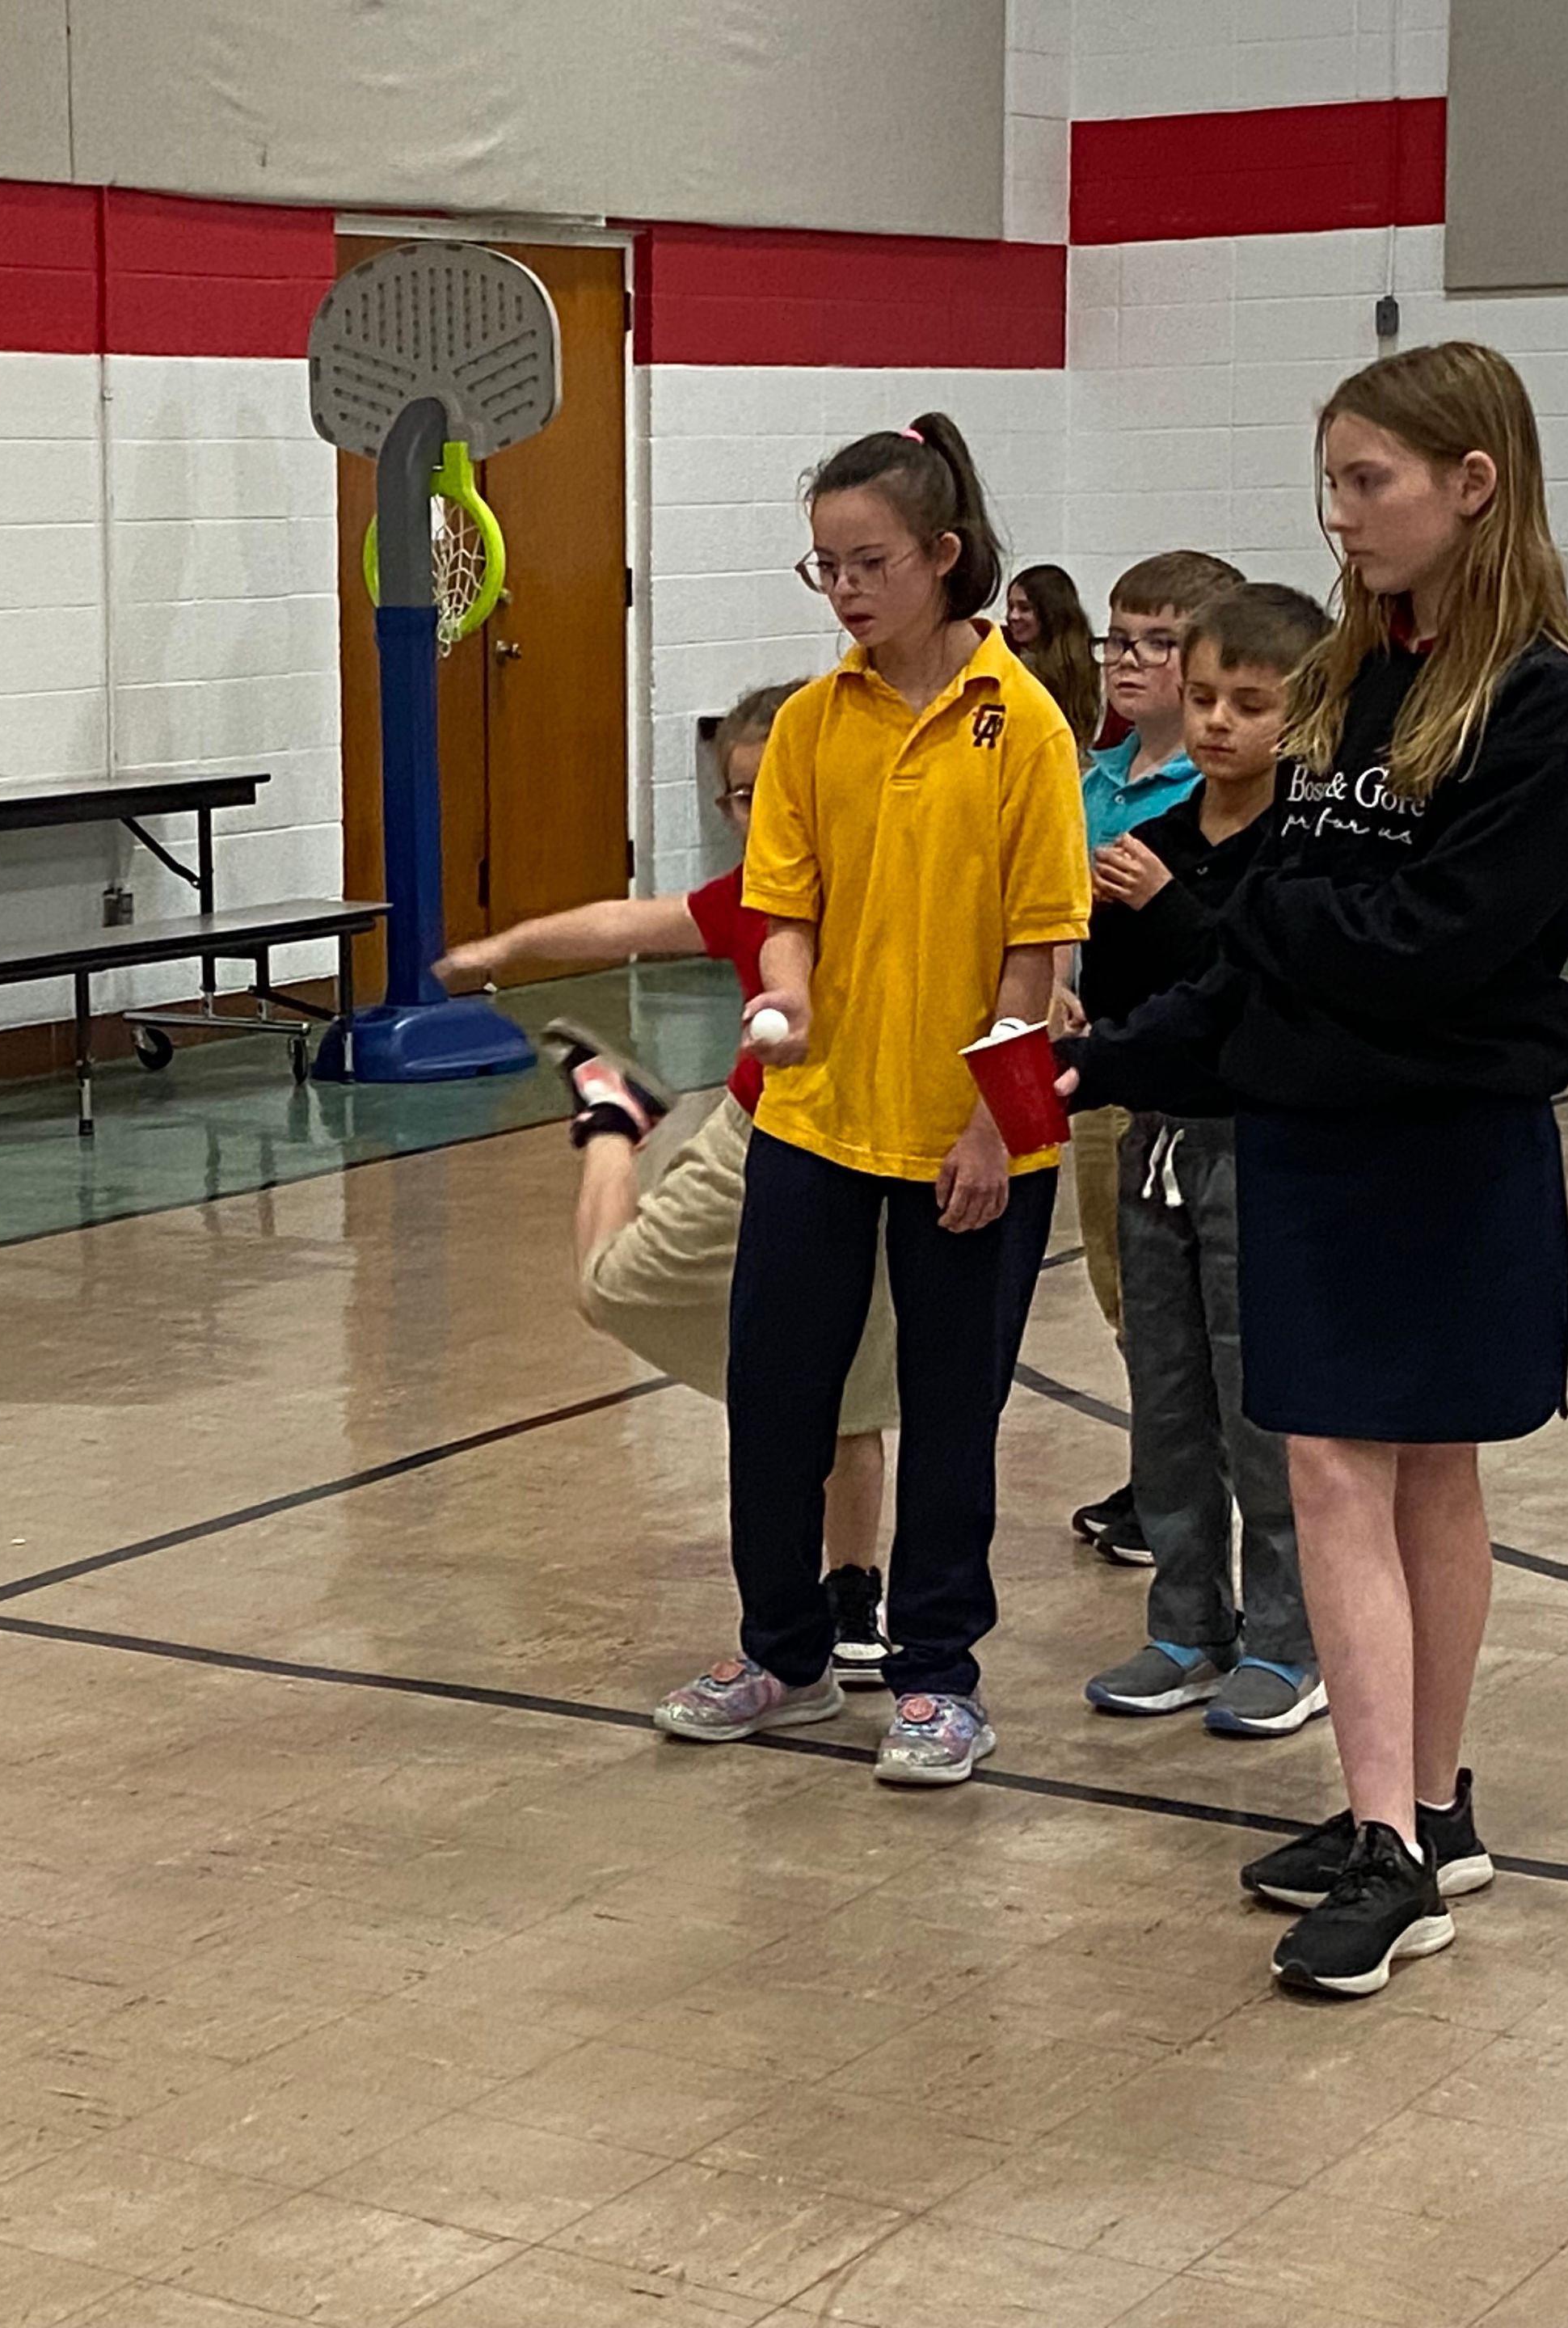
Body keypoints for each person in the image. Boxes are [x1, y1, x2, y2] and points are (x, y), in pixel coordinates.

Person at [1060, 342, 1568, 1997]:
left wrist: (1236, 915)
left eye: (1367, 480)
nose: (1340, 514)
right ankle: (1421, 1814)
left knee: (1376, 1476)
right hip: (1314, 1133)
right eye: (1331, 480)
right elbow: (1275, 961)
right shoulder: (1351, 687)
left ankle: (1396, 1845)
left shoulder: (1547, 718)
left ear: (1474, 483)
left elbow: (1423, 950)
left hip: (1440, 1153)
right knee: (1380, 1476)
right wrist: (1109, 1056)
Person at [653, 413, 1086, 1782]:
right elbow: (781, 905)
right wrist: (781, 1000)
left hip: (971, 1134)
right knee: (775, 1396)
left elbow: (1041, 947)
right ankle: (781, 1652)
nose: (845, 589)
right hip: (814, 1124)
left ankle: (938, 1677)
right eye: (823, 564)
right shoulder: (811, 727)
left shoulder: (1023, 725)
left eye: (870, 561)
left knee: (954, 1412)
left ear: (942, 557)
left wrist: (988, 1124)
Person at [435, 681, 901, 1685]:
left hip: (875, 1150)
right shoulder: (748, 901)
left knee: (857, 1381)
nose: (754, 812)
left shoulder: (890, 884)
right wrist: (509, 950)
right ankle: (612, 1116)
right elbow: (623, 924)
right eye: (737, 795)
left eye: (774, 789)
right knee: (613, 1287)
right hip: (761, 1139)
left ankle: (853, 1588)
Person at [1075, 581, 1332, 1740]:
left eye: (1251, 703)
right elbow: (1138, 994)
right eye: (1208, 696)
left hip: (1257, 1147)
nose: (1221, 723)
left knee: (1257, 1401)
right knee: (1166, 1396)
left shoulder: (1305, 848)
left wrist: (1173, 908)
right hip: (1154, 1140)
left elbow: (1263, 995)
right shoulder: (1156, 840)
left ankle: (1292, 1636)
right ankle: (1188, 1620)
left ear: (1304, 716)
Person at [1064, 550, 1243, 1566]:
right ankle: (1167, 1464)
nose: (1127, 662)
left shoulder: (1212, 793)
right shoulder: (1089, 778)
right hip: (1100, 1064)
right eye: (1117, 640)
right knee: (1121, 1286)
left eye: (1157, 644)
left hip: (1186, 1076)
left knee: (1190, 1300)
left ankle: (1192, 1477)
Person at [1003, 563, 1104, 753]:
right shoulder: (1010, 662)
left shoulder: (1094, 670)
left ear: (1051, 611)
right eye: (1010, 607)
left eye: (1024, 608)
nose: (1013, 616)